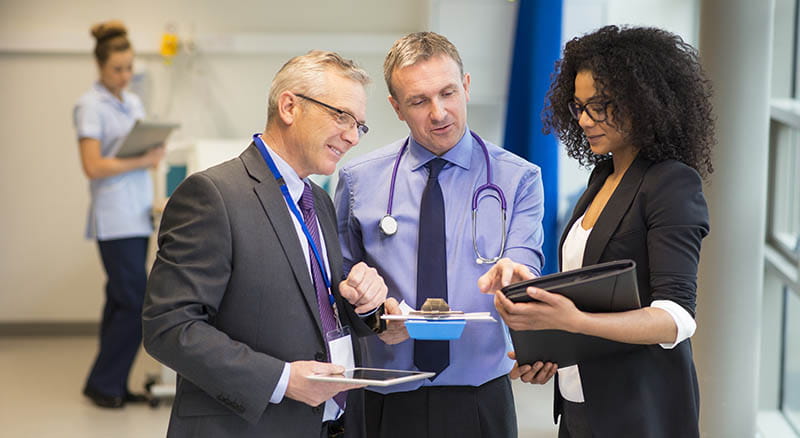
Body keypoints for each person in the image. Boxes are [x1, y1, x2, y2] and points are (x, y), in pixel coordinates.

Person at [479, 25, 715, 438]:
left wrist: (574, 322)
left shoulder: (672, 183)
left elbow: (675, 318)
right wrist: (547, 335)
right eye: (578, 106)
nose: (585, 119)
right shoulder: (602, 176)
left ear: (644, 102)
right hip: (579, 406)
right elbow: (593, 289)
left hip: (641, 411)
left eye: (600, 105)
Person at [142, 50, 389, 438]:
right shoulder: (213, 195)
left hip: (328, 424)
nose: (353, 136)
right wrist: (282, 379)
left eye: (360, 125)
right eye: (341, 116)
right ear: (289, 106)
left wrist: (362, 302)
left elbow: (314, 308)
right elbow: (169, 327)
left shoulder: (317, 200)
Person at [334, 32, 553, 438]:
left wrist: (515, 273)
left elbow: (525, 260)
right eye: (419, 101)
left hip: (479, 397)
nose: (439, 113)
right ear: (396, 108)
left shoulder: (519, 178)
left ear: (466, 87)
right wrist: (372, 314)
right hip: (385, 395)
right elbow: (340, 285)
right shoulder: (358, 180)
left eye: (448, 93)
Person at [73, 20, 165, 409]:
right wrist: (143, 158)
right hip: (113, 220)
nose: (125, 76)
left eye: (129, 68)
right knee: (134, 303)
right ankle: (106, 382)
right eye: (117, 69)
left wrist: (150, 158)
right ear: (100, 66)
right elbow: (92, 166)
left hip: (136, 214)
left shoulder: (133, 102)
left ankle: (105, 383)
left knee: (118, 302)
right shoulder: (89, 105)